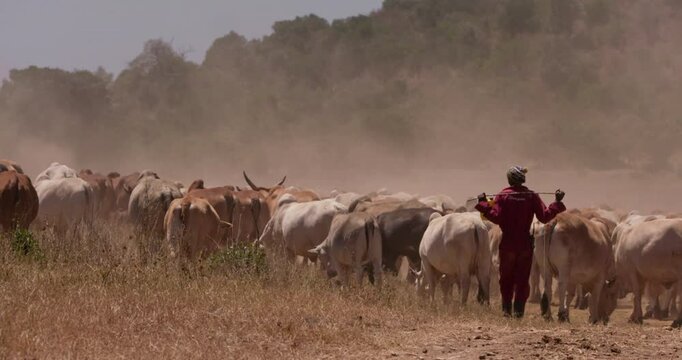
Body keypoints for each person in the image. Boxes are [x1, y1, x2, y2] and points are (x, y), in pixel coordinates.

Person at [475, 166, 566, 318]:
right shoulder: (531, 196)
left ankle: (506, 311)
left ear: (509, 179)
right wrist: (556, 202)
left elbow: (496, 217)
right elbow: (544, 217)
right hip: (525, 245)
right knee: (523, 279)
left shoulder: (503, 196)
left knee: (506, 279)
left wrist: (483, 203)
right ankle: (519, 313)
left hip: (508, 244)